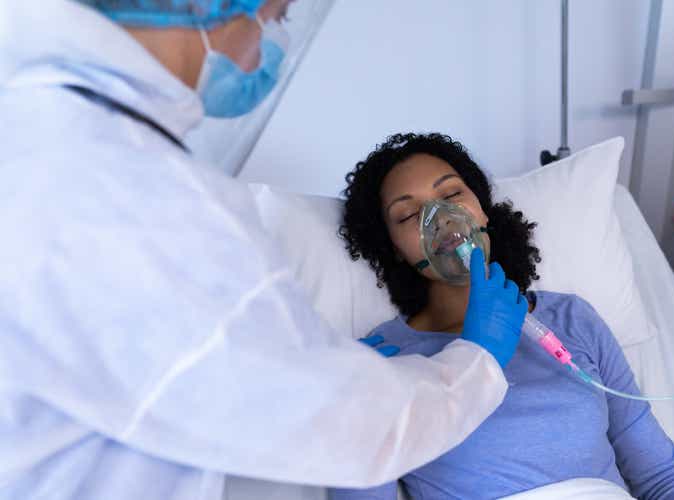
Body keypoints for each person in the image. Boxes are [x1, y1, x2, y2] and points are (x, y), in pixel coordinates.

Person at [0, 2, 529, 499]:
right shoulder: (131, 191)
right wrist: (477, 360)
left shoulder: (52, 132)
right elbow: (344, 429)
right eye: (277, 14)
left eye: (453, 193)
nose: (270, 39)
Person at [332, 133, 674, 500]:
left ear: (480, 209)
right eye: (410, 214)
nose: (442, 219)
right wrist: (364, 406)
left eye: (451, 195)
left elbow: (661, 475)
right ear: (394, 248)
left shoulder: (572, 319)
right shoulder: (388, 359)